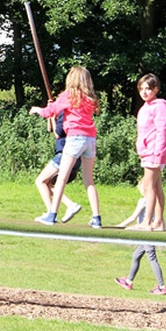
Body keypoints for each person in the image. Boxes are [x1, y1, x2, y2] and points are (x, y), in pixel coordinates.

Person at [29, 66, 101, 228]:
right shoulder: (89, 99)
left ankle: (52, 215)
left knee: (61, 177)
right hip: (90, 138)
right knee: (89, 180)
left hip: (75, 138)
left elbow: (50, 111)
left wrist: (37, 110)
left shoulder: (69, 95)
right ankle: (96, 218)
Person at [127, 73, 166, 232]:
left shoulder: (160, 107)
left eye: (148, 88)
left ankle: (147, 221)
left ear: (156, 89)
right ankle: (159, 222)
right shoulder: (146, 107)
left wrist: (159, 153)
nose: (144, 92)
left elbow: (162, 132)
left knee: (148, 186)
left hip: (155, 152)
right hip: (147, 151)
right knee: (156, 185)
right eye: (141, 88)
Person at [114, 180, 166, 295]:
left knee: (152, 258)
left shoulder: (143, 201)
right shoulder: (157, 201)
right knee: (136, 255)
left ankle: (162, 286)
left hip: (146, 233)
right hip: (152, 232)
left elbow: (133, 217)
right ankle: (128, 281)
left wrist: (120, 226)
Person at [34, 111, 83, 223]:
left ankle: (54, 211)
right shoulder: (68, 115)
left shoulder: (64, 114)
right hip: (71, 156)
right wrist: (51, 117)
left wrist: (53, 116)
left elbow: (57, 134)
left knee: (40, 181)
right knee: (47, 184)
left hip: (63, 155)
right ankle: (58, 210)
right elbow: (50, 129)